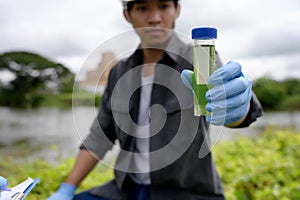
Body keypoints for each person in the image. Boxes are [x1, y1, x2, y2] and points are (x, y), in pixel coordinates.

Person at [47, 0, 263, 199]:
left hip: (185, 193)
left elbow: (233, 107)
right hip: (126, 190)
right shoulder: (119, 71)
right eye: (142, 8)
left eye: (163, 6)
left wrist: (237, 107)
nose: (154, 18)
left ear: (176, 10)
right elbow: (100, 136)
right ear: (127, 15)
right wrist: (67, 189)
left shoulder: (198, 57)